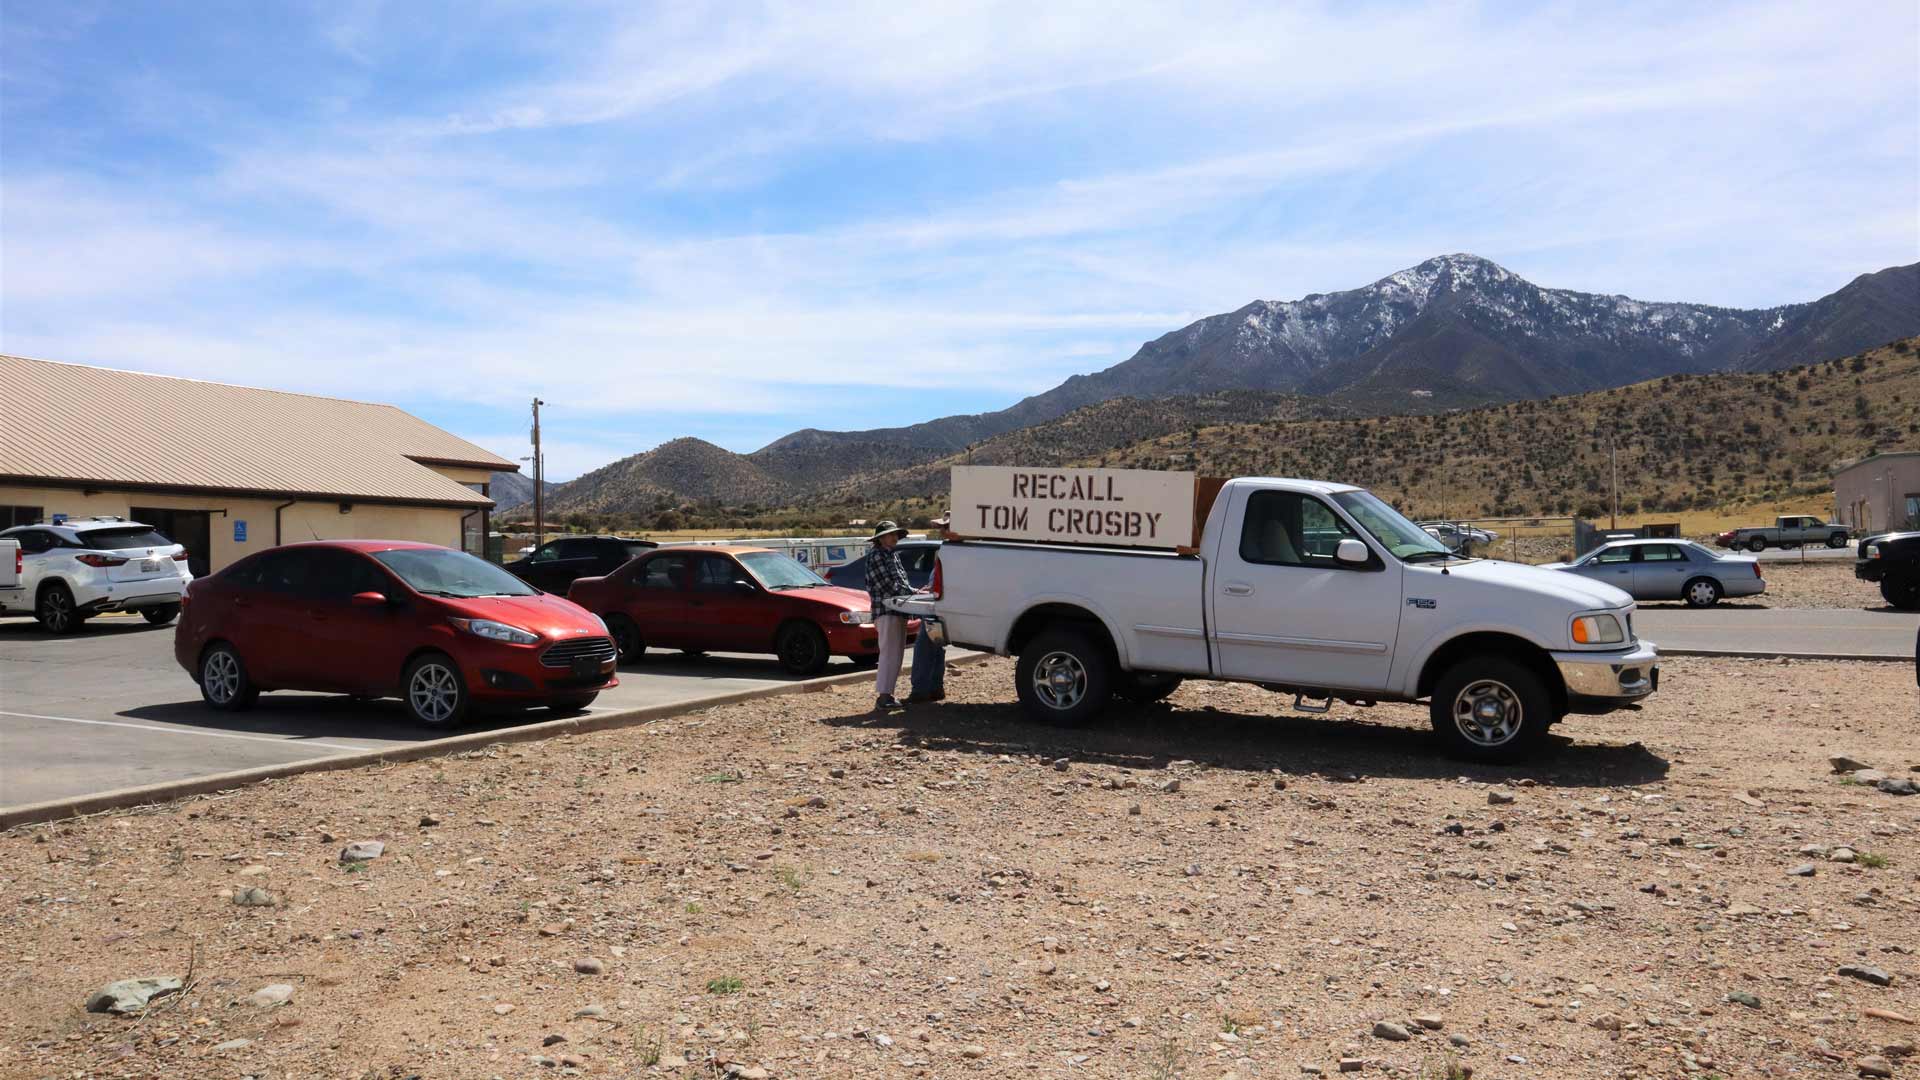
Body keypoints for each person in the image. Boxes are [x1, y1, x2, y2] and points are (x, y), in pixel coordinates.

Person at [863, 521, 912, 710]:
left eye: (895, 535)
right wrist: (912, 594)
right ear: (881, 538)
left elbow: (899, 583)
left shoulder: (891, 555)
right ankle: (884, 696)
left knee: (895, 654)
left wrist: (913, 592)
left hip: (896, 610)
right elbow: (886, 585)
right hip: (886, 610)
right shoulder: (877, 556)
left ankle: (888, 695)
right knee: (890, 653)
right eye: (891, 535)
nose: (894, 538)